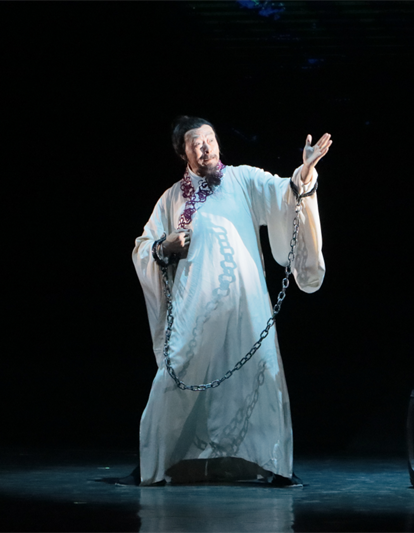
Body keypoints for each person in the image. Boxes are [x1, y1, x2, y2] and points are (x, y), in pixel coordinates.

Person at [131, 116, 331, 486]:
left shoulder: (242, 179)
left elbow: (283, 193)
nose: (205, 147)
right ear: (183, 153)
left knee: (262, 371)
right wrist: (164, 245)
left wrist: (304, 171)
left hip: (246, 301)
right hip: (195, 304)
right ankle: (158, 464)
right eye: (196, 143)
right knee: (178, 372)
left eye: (210, 139)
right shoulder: (172, 198)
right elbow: (143, 246)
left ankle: (272, 463)